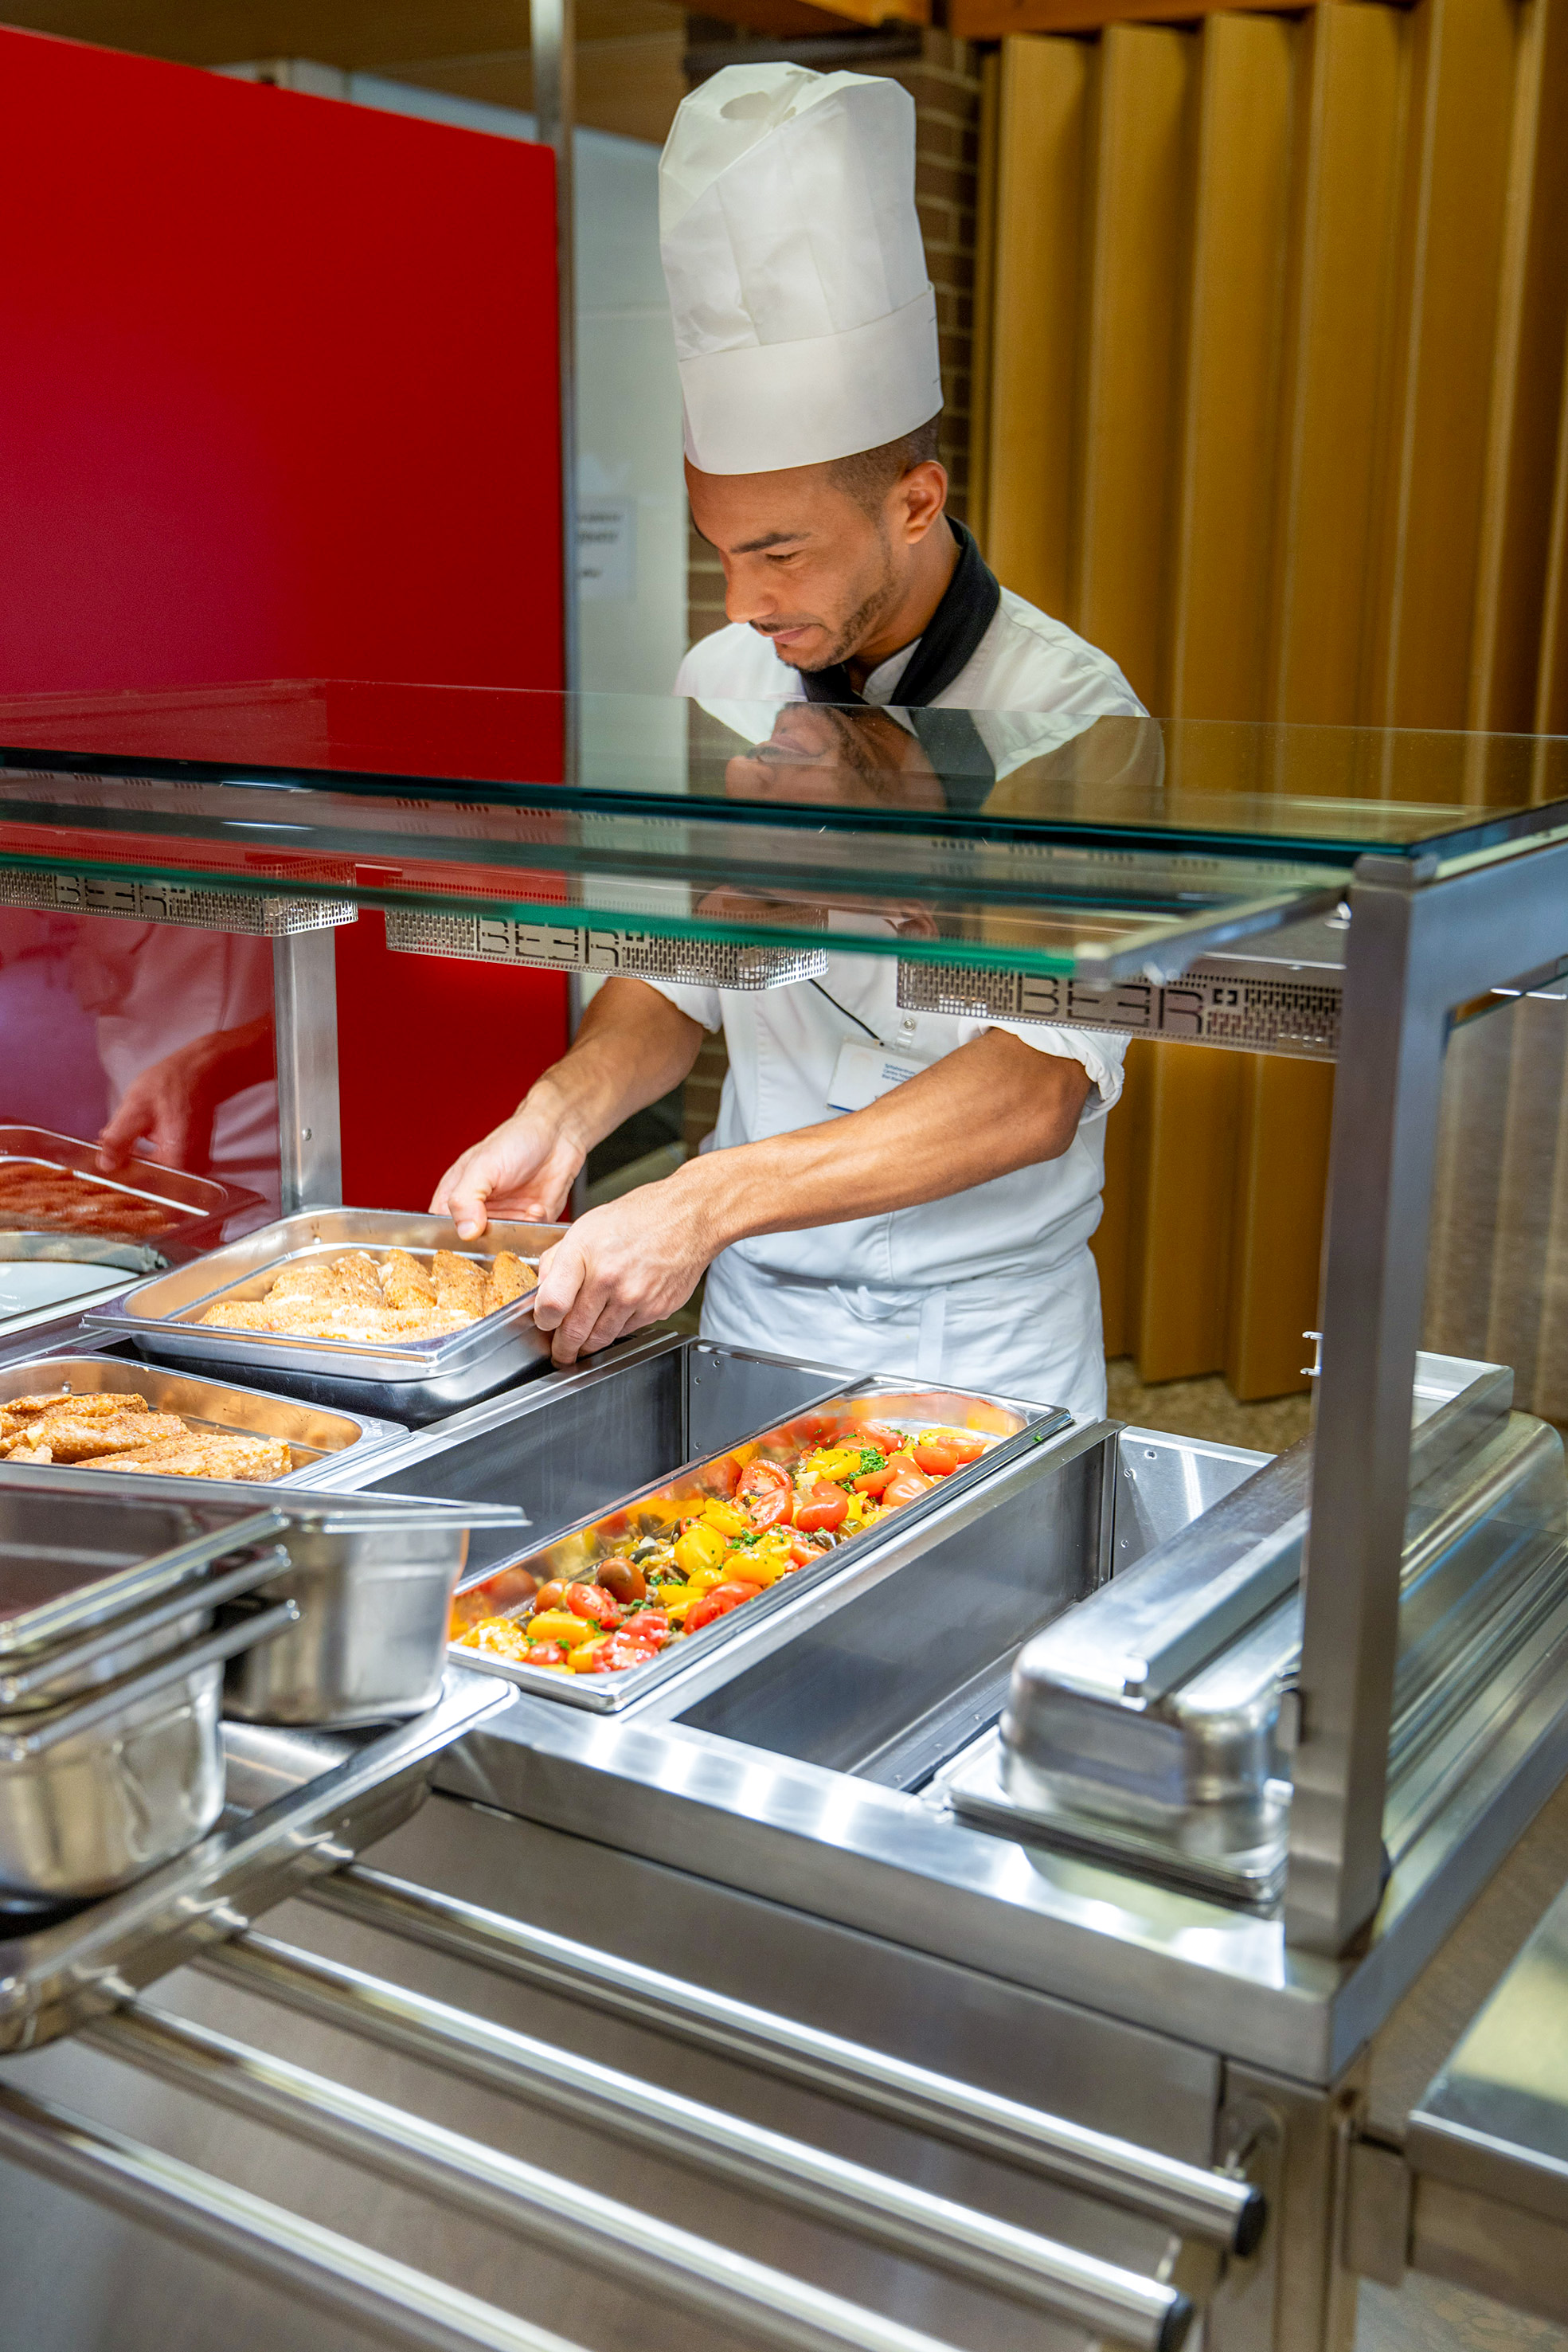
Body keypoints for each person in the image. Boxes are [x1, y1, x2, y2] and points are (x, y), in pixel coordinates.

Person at [432, 62, 1144, 1419]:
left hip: (980, 1338)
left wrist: (702, 1194)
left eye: (778, 554)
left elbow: (1029, 1090)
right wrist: (563, 1111)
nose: (744, 607)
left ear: (916, 501)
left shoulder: (1076, 716)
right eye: (717, 553)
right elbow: (679, 976)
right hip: (747, 1304)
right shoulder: (722, 678)